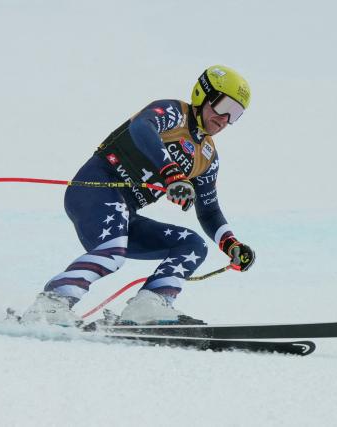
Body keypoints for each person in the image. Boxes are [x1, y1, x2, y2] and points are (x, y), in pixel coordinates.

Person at [21, 65, 256, 326]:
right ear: (203, 95)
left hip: (124, 213)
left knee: (192, 245)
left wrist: (231, 244)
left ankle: (148, 306)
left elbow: (209, 210)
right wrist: (172, 174)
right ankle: (50, 304)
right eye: (224, 106)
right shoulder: (173, 113)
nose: (225, 119)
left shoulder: (207, 157)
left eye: (235, 114)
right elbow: (143, 128)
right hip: (95, 189)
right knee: (113, 252)